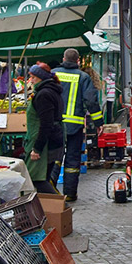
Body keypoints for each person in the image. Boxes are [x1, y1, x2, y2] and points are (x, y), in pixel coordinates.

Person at [53, 48, 101, 202]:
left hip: (56, 125)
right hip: (75, 126)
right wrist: (98, 122)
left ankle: (50, 193)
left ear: (63, 58)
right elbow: (91, 101)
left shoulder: (53, 74)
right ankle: (70, 194)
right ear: (78, 61)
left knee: (54, 158)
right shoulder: (83, 77)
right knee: (72, 161)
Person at [26, 63, 65, 194]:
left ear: (40, 78)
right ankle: (51, 211)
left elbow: (46, 124)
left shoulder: (44, 94)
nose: (31, 80)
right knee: (45, 178)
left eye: (33, 77)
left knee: (38, 179)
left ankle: (60, 208)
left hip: (47, 143)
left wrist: (37, 148)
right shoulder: (52, 90)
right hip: (55, 138)